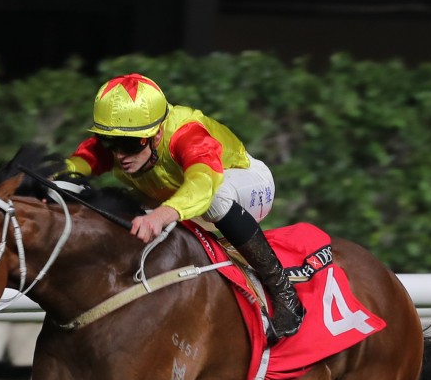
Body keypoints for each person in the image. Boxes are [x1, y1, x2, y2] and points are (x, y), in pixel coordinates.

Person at [63, 73, 305, 341]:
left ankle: (284, 292)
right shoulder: (122, 143)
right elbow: (74, 167)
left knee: (215, 198)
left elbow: (203, 184)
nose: (120, 155)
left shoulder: (187, 134)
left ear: (156, 135)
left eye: (130, 144)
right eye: (111, 142)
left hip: (243, 184)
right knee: (115, 200)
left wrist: (161, 216)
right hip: (178, 194)